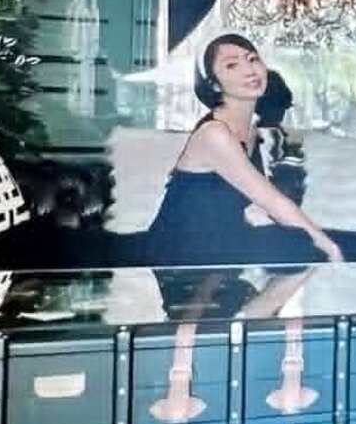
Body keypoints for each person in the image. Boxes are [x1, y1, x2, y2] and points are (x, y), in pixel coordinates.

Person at [145, 33, 342, 266]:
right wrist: (331, 249)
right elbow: (272, 201)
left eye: (252, 59)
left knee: (314, 242)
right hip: (176, 253)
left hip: (219, 247)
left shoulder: (251, 133)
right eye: (232, 65)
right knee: (307, 246)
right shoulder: (214, 134)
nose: (249, 70)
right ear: (214, 84)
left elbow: (257, 206)